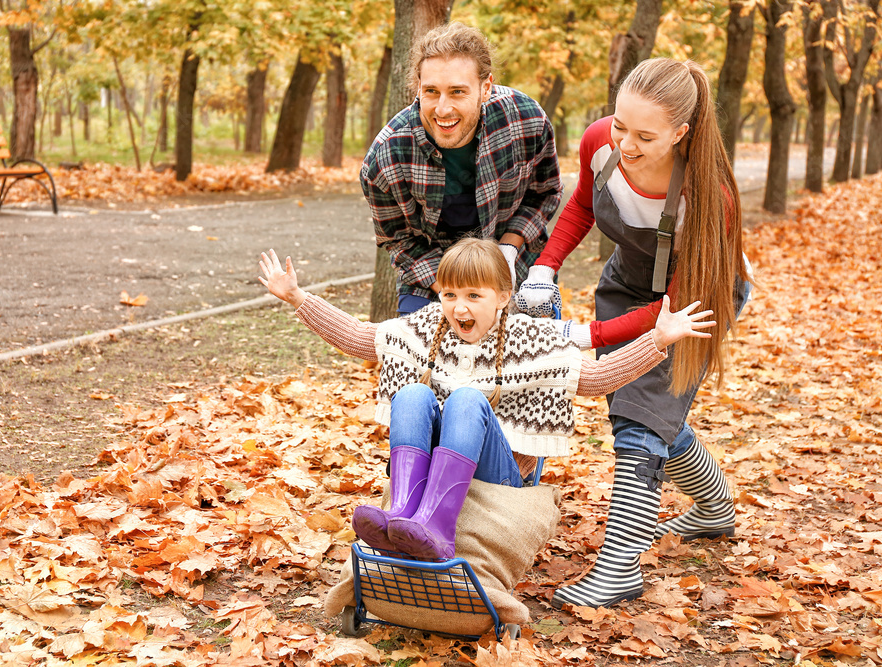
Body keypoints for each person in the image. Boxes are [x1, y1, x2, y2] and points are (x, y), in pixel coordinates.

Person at [259, 237, 715, 561]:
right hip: (436, 458)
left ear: (502, 297)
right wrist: (297, 297)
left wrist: (656, 341)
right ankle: (402, 514)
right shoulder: (427, 329)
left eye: (474, 296)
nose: (460, 307)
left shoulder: (529, 339)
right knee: (413, 393)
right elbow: (362, 338)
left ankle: (435, 527)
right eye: (450, 294)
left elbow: (595, 378)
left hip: (499, 479)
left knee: (465, 401)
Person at [516, 58, 752, 609]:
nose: (626, 143)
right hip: (627, 281)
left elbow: (668, 308)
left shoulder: (708, 196)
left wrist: (585, 335)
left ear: (681, 132)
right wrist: (544, 268)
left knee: (641, 419)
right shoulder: (602, 143)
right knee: (638, 405)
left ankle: (619, 571)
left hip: (693, 299)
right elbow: (580, 206)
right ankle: (715, 507)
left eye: (646, 136)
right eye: (621, 125)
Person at [363, 22, 562, 316]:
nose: (442, 109)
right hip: (433, 275)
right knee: (413, 358)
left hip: (516, 265)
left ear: (485, 88)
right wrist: (458, 293)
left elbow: (545, 194)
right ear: (418, 86)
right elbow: (399, 240)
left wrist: (508, 249)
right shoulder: (386, 157)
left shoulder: (526, 120)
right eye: (431, 91)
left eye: (457, 92)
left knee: (542, 357)